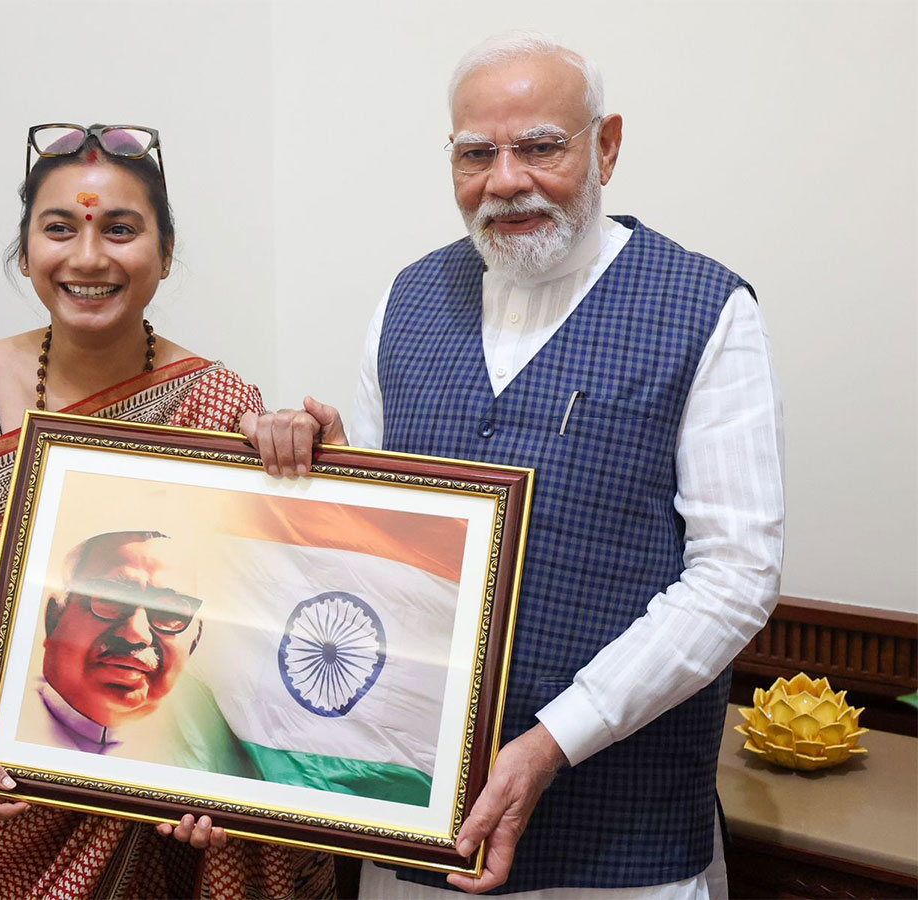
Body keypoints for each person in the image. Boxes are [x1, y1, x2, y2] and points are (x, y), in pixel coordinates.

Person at [242, 30, 784, 899]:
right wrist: (317, 472)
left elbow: (736, 577)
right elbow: (382, 543)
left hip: (622, 841)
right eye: (475, 154)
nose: (505, 181)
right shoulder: (407, 299)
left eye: (539, 146)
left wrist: (551, 742)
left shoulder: (707, 309)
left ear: (606, 145)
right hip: (418, 823)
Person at [0, 124, 334, 899]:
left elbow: (245, 640)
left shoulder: (221, 408)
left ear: (164, 249)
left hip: (156, 817)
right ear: (26, 252)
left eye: (120, 229)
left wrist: (302, 460)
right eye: (61, 228)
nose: (89, 258)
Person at [21, 530, 259, 779]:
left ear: (194, 643)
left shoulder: (213, 762)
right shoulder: (1, 731)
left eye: (168, 609)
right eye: (111, 598)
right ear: (53, 616)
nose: (136, 633)